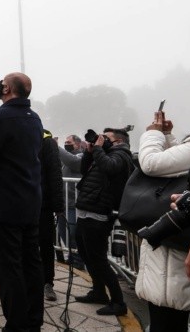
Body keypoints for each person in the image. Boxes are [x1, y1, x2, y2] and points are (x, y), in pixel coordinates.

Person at [0, 72, 44, 332]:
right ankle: (34, 320)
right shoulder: (34, 118)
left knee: (9, 267)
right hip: (29, 202)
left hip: (2, 204)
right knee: (31, 262)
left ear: (5, 88)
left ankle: (16, 323)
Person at [135, 102, 190, 332]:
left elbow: (152, 164)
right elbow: (183, 166)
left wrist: (152, 134)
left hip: (175, 253)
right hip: (179, 245)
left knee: (167, 320)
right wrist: (167, 135)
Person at [74, 126, 133, 316]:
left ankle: (118, 302)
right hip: (86, 210)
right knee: (86, 254)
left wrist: (99, 149)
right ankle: (98, 291)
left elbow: (109, 168)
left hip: (99, 213)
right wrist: (89, 153)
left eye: (106, 138)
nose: (102, 140)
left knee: (98, 259)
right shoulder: (105, 154)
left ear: (119, 141)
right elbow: (84, 170)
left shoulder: (122, 155)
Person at [39, 129, 64, 302]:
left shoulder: (47, 142)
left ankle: (48, 282)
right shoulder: (19, 137)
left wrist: (58, 205)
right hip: (23, 203)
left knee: (46, 245)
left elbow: (55, 174)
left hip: (44, 205)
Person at [57, 134, 84, 268]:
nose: (66, 144)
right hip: (63, 204)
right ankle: (72, 258)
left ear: (78, 144)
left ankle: (79, 262)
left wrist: (55, 146)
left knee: (73, 234)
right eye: (65, 142)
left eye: (69, 142)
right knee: (63, 234)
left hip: (73, 204)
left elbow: (73, 162)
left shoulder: (81, 156)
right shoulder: (64, 160)